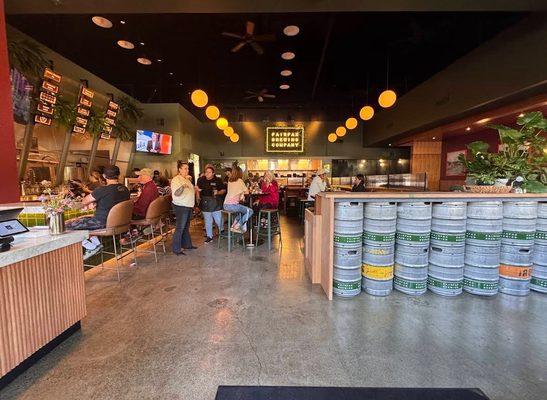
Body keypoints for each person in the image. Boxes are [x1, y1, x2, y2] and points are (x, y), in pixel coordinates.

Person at [66, 165, 130, 260]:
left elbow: (83, 202)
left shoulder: (102, 190)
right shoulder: (125, 189)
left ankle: (91, 247)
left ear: (104, 176)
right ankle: (97, 245)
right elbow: (111, 202)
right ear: (118, 175)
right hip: (119, 223)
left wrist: (68, 204)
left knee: (67, 226)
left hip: (102, 223)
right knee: (83, 220)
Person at [196, 164, 226, 244]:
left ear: (213, 173)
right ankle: (209, 236)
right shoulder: (201, 180)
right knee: (208, 220)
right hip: (205, 202)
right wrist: (198, 198)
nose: (207, 174)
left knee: (218, 219)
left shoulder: (218, 180)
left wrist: (218, 192)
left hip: (216, 201)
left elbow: (223, 190)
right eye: (206, 172)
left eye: (209, 172)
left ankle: (221, 230)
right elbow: (197, 189)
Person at [171, 161, 196, 255]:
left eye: (188, 168)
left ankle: (187, 245)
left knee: (186, 227)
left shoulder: (186, 179)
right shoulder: (176, 180)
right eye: (185, 168)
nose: (187, 170)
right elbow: (176, 193)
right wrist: (183, 187)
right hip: (181, 206)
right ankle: (176, 249)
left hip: (188, 205)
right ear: (180, 169)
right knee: (180, 228)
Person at [223, 166, 252, 234]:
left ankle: (233, 226)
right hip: (232, 205)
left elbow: (236, 191)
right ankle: (237, 226)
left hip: (225, 205)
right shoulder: (240, 180)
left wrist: (241, 193)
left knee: (241, 212)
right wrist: (243, 192)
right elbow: (247, 192)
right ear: (240, 173)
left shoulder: (230, 180)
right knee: (250, 211)